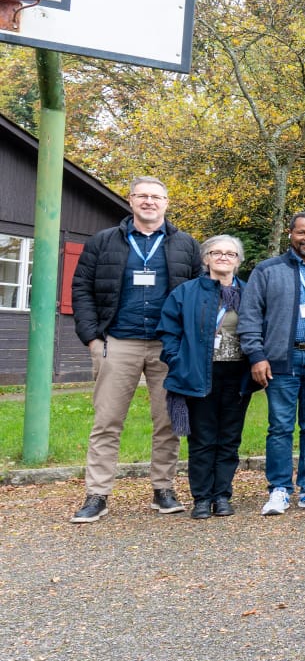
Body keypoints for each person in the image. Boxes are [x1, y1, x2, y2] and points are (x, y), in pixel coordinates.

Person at [69, 176, 202, 523]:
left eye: (156, 197)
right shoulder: (103, 242)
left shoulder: (186, 244)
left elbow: (200, 293)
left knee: (168, 422)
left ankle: (163, 489)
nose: (149, 202)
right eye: (142, 196)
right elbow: (81, 288)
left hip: (167, 347)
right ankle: (97, 495)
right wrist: (92, 340)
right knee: (107, 422)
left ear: (166, 202)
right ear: (130, 201)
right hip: (118, 342)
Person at [239, 212, 305, 516]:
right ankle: (279, 489)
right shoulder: (267, 271)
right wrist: (257, 356)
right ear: (291, 234)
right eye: (302, 233)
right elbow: (249, 317)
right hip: (281, 360)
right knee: (280, 427)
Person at [155, 234, 250, 520]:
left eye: (230, 254)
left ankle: (222, 495)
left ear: (238, 261)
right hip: (198, 373)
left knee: (229, 438)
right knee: (203, 438)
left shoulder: (249, 292)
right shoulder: (186, 292)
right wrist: (178, 361)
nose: (223, 257)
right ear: (205, 258)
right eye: (217, 252)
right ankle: (201, 497)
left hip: (237, 374)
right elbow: (169, 331)